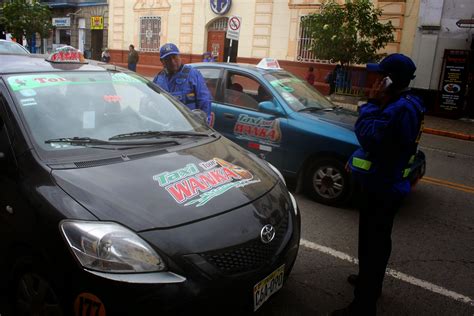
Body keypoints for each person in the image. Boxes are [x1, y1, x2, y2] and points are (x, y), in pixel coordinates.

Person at [332, 54, 425, 316]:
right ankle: (368, 282)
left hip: (383, 188)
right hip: (384, 183)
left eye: (379, 75)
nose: (373, 79)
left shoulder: (399, 108)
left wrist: (371, 103)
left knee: (374, 244)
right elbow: (381, 147)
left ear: (389, 80)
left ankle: (364, 305)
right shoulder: (405, 103)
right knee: (375, 241)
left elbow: (372, 137)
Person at [153, 43, 212, 121]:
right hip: (167, 126)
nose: (172, 62)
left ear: (179, 56)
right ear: (162, 61)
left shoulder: (193, 74)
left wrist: (203, 124)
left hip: (188, 127)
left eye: (174, 57)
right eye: (168, 59)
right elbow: (152, 101)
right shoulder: (158, 79)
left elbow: (204, 101)